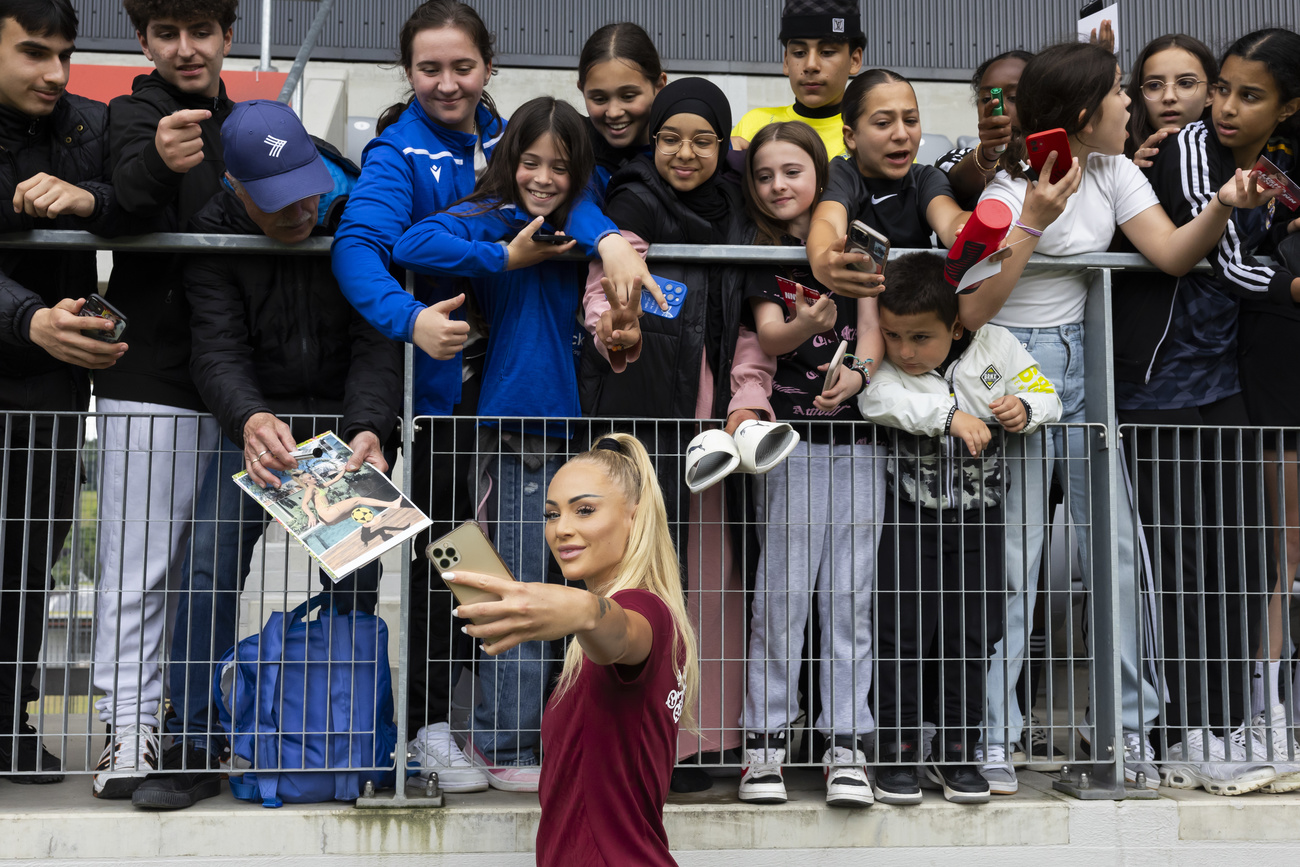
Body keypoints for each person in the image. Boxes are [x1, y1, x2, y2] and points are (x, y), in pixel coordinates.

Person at [330, 1, 655, 791]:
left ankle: (494, 730)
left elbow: (569, 189)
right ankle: (433, 728)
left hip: (508, 406)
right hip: (438, 402)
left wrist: (609, 238)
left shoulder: (514, 139)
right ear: (407, 72)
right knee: (448, 562)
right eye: (429, 68)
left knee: (511, 568)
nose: (447, 82)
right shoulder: (397, 152)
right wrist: (418, 311)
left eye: (462, 67)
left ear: (488, 66)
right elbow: (369, 245)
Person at [958, 40, 1276, 796]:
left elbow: (1170, 253)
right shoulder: (1006, 188)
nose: (1130, 102)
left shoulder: (1115, 170)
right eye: (1118, 92)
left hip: (1087, 364)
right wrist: (1032, 221)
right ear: (1081, 112)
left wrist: (1223, 205)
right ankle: (992, 736)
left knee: (1120, 556)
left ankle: (1126, 731)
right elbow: (970, 307)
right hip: (1017, 369)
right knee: (1016, 560)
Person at [130, 100, 402, 810]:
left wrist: (370, 427)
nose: (302, 211)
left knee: (354, 579)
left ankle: (343, 739)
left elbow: (378, 335)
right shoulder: (211, 232)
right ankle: (193, 744)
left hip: (347, 421)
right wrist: (250, 418)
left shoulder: (355, 210)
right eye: (278, 203)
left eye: (308, 191)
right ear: (235, 187)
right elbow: (215, 347)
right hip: (257, 422)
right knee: (208, 564)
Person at [391, 96, 594, 792]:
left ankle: (512, 733)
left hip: (567, 427)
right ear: (509, 160)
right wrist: (505, 255)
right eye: (531, 162)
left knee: (549, 586)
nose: (543, 177)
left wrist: (609, 244)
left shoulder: (581, 220)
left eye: (559, 167)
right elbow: (410, 243)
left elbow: (604, 223)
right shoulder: (497, 217)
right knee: (506, 582)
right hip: (513, 426)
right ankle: (501, 739)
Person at [579, 77, 774, 790]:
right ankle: (641, 740)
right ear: (651, 140)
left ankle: (702, 739)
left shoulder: (739, 213)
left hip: (717, 434)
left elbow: (751, 327)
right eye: (670, 138)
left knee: (712, 586)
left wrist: (747, 401)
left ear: (723, 146)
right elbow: (605, 292)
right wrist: (614, 326)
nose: (684, 153)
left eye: (702, 140)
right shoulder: (631, 201)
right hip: (646, 423)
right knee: (643, 585)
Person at [1123, 28, 1300, 794]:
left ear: (1287, 107)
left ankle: (1229, 727)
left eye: (1247, 95)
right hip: (1159, 386)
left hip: (1225, 383)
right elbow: (1224, 263)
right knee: (1179, 567)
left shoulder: (1283, 158)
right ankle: (1182, 731)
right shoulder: (1188, 150)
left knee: (1247, 559)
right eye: (1221, 88)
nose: (1224, 107)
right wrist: (1289, 286)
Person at [90, 0, 236, 800]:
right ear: (143, 40)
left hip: (238, 381)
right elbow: (124, 197)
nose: (186, 48)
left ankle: (190, 724)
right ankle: (128, 727)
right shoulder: (128, 115)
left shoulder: (250, 125)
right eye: (168, 33)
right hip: (151, 375)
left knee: (204, 569)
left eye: (201, 31)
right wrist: (157, 161)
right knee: (139, 562)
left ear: (227, 36)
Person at [861, 251, 1061, 804]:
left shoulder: (996, 347)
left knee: (972, 636)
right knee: (901, 634)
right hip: (908, 518)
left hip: (980, 520)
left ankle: (958, 754)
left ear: (955, 326)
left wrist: (1024, 408)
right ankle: (897, 753)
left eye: (920, 338)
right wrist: (948, 418)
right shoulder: (888, 365)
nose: (905, 350)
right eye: (893, 335)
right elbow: (875, 399)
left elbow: (1047, 393)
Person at [445, 433, 698, 867]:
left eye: (584, 510)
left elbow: (620, 632)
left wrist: (585, 610)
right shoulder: (638, 617)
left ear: (635, 517)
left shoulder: (646, 611)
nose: (561, 528)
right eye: (551, 514)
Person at [733, 121, 880, 807]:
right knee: (781, 600)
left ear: (821, 177)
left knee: (850, 601)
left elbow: (872, 335)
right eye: (764, 175)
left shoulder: (856, 248)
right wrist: (808, 327)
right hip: (790, 449)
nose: (777, 185)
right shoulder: (762, 254)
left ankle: (846, 746)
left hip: (859, 445)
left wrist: (859, 372)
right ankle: (763, 747)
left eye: (792, 171)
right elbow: (769, 335)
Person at [0, 0, 126, 784]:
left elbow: (148, 194)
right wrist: (28, 319)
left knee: (27, 564)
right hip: (31, 351)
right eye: (33, 52)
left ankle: (9, 719)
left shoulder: (90, 125)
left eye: (65, 55)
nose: (54, 72)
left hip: (50, 391)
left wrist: (93, 200)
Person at [730, 0, 864, 160]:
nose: (811, 65)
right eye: (799, 53)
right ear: (786, 61)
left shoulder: (867, 135)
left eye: (827, 52)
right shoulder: (753, 126)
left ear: (854, 60)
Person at [934, 49, 1034, 209]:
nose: (999, 109)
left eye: (1013, 98)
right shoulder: (953, 160)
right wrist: (988, 154)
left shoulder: (1059, 162)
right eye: (987, 99)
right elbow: (960, 182)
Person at [577, 22, 666, 199]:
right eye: (599, 99)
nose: (613, 112)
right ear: (582, 90)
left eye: (628, 96)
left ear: (659, 86)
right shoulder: (571, 148)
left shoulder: (687, 150)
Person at [1123, 34, 1216, 166]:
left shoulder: (1235, 154)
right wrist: (1132, 172)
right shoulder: (1117, 157)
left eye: (1185, 83)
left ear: (1210, 94)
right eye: (1154, 85)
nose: (1169, 97)